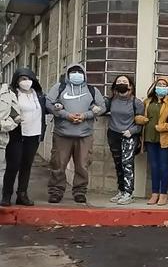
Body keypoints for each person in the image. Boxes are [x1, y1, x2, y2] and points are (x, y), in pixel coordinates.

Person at [45, 63, 105, 204]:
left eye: (79, 72)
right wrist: (66, 115)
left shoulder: (92, 90)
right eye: (73, 72)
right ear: (68, 74)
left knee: (82, 165)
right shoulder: (59, 87)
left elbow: (102, 107)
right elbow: (49, 103)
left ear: (84, 74)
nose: (76, 75)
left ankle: (80, 191)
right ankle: (56, 191)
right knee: (58, 164)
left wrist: (86, 115)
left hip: (85, 134)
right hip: (62, 134)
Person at [1, 68, 47, 207]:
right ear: (17, 80)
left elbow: (46, 108)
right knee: (13, 165)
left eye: (28, 79)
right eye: (22, 79)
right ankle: (6, 195)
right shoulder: (12, 94)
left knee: (26, 166)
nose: (26, 82)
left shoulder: (38, 95)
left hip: (33, 134)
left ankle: (22, 194)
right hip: (17, 134)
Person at [138, 77, 168, 206]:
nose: (161, 87)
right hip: (150, 138)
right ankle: (154, 193)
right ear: (154, 86)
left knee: (164, 166)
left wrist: (163, 127)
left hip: (165, 138)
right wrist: (141, 119)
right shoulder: (148, 101)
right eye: (159, 84)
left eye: (164, 85)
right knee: (154, 167)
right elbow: (139, 116)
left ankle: (163, 194)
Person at [104, 75, 143, 205]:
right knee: (118, 164)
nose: (121, 83)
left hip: (129, 136)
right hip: (113, 134)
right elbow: (101, 109)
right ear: (115, 85)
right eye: (119, 81)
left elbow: (141, 122)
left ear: (130, 85)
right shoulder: (111, 101)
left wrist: (131, 131)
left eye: (124, 82)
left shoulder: (136, 102)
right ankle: (121, 190)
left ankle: (128, 193)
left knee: (127, 164)